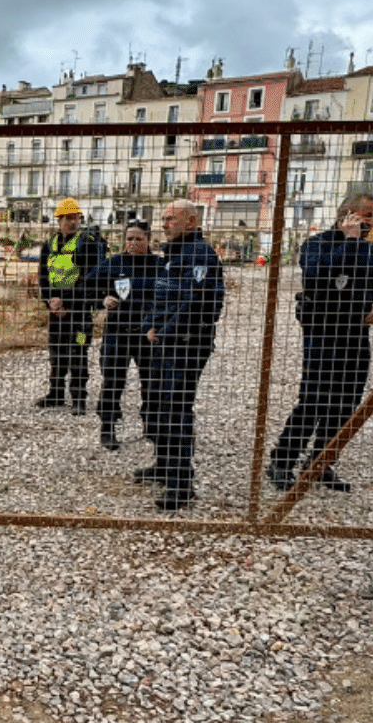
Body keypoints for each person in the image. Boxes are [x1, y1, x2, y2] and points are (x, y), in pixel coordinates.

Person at [267, 194, 373, 494]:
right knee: (314, 401)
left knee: (345, 405)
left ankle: (320, 463)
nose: (372, 222)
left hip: (356, 338)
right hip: (324, 335)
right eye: (366, 215)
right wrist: (349, 242)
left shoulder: (369, 251)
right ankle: (281, 461)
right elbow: (317, 278)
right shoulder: (317, 245)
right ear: (346, 215)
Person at [135, 200, 224, 512]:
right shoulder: (173, 254)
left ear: (190, 222)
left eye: (171, 219)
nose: (164, 224)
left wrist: (164, 331)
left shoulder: (199, 254)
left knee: (175, 411)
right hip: (164, 344)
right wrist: (149, 327)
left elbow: (194, 304)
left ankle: (180, 483)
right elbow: (160, 298)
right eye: (163, 218)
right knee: (157, 405)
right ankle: (164, 465)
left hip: (186, 345)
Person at [87, 220, 164, 452]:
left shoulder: (160, 266)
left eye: (138, 239)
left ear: (148, 240)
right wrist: (101, 300)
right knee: (112, 382)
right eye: (129, 238)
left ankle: (151, 426)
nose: (133, 243)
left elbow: (172, 295)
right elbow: (88, 287)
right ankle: (108, 427)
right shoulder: (113, 263)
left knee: (152, 383)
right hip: (117, 334)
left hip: (147, 335)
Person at [36, 197, 107, 413]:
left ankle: (78, 398)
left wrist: (65, 302)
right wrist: (51, 303)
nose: (71, 222)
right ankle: (56, 393)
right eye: (66, 218)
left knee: (78, 352)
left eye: (74, 218)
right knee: (56, 352)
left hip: (79, 312)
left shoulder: (87, 244)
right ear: (58, 221)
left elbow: (89, 279)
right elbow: (43, 277)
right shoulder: (50, 245)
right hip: (56, 312)